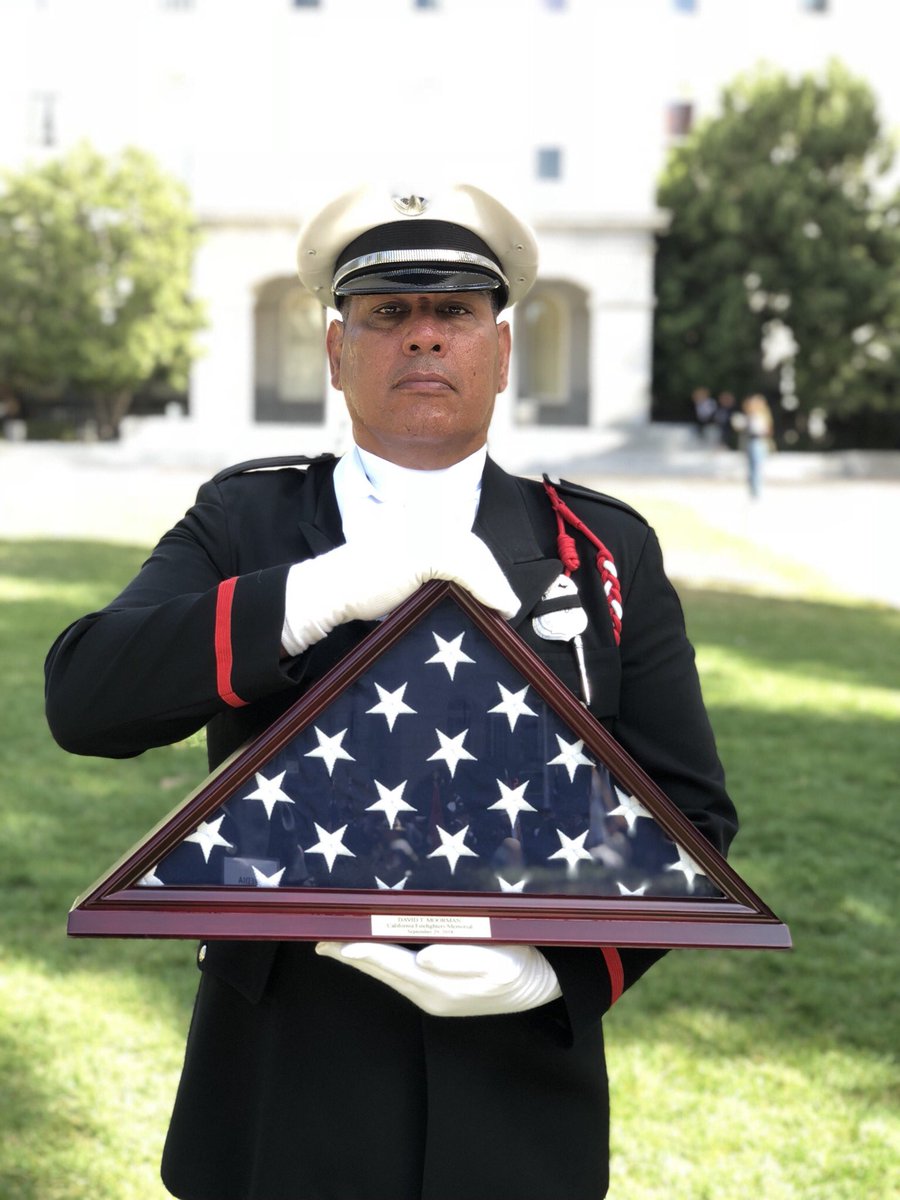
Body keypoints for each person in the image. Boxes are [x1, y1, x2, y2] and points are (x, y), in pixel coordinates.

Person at [45, 182, 738, 1200]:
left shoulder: (599, 548)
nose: (423, 336)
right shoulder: (248, 521)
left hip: (515, 1089)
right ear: (337, 351)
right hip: (284, 1076)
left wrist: (562, 971)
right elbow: (87, 696)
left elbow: (691, 814)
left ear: (502, 351)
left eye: (455, 311)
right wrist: (310, 595)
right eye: (388, 312)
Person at [741, 392, 775, 499]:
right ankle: (753, 490)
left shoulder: (761, 416)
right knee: (752, 467)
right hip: (752, 441)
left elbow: (767, 431)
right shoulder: (751, 416)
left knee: (756, 467)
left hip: (758, 441)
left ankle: (756, 491)